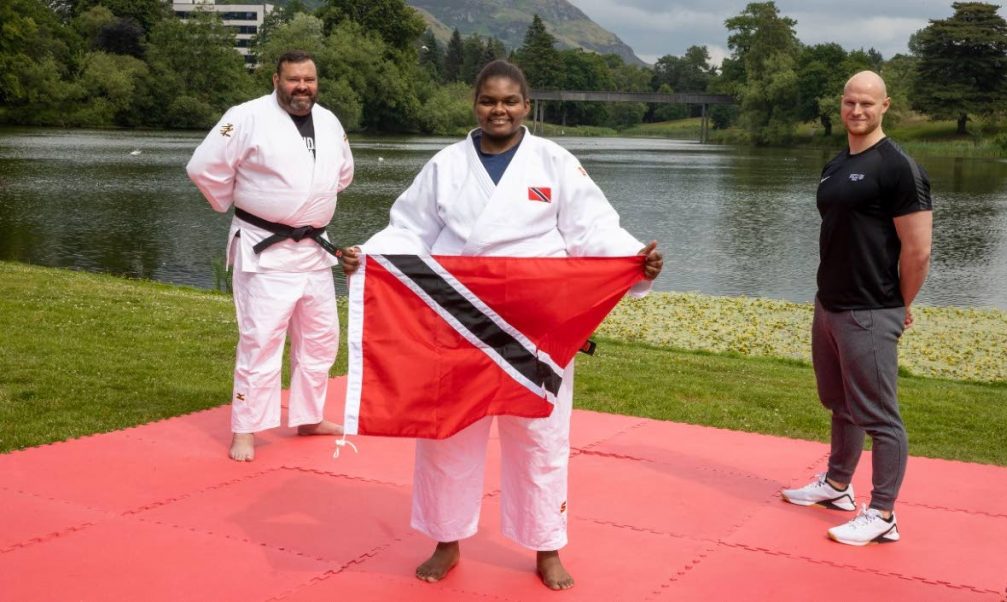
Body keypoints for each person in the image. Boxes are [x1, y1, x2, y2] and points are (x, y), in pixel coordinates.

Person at [341, 60, 662, 590]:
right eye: (489, 100)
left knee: (541, 437)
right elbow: (409, 229)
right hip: (459, 319)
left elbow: (593, 230)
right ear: (475, 104)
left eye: (510, 101)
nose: (499, 110)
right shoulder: (446, 165)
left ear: (526, 106)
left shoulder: (555, 162)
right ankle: (446, 540)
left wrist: (632, 261)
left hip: (534, 329)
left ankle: (546, 545)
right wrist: (369, 256)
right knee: (448, 435)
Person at [780, 71, 932, 545]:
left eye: (867, 103)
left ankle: (883, 513)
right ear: (841, 104)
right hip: (829, 304)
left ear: (885, 106)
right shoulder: (836, 164)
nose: (857, 110)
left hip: (870, 308)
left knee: (880, 417)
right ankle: (837, 485)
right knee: (839, 402)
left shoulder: (898, 168)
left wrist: (899, 305)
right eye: (850, 102)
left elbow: (919, 251)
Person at [186, 50, 355, 462]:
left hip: (313, 250)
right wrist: (246, 203)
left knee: (320, 340)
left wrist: (306, 200)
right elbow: (203, 167)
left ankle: (309, 416)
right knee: (260, 342)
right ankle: (245, 428)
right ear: (276, 80)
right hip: (264, 248)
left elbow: (343, 174)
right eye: (294, 79)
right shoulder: (244, 116)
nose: (303, 87)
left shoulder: (330, 121)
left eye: (309, 79)